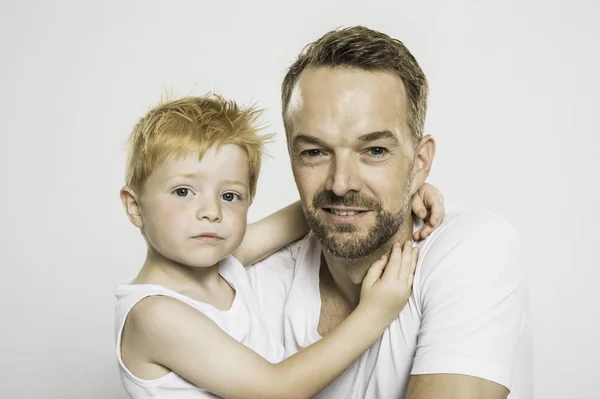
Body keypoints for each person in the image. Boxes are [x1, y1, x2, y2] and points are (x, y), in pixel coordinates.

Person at [247, 26, 531, 398]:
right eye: (315, 152)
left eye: (375, 151)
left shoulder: (473, 251)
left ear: (419, 163)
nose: (340, 183)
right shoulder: (258, 284)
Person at [114, 95, 445, 398]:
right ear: (134, 206)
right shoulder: (154, 314)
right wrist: (375, 313)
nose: (212, 212)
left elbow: (313, 211)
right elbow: (277, 390)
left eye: (229, 196)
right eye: (183, 192)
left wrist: (398, 193)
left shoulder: (223, 264)